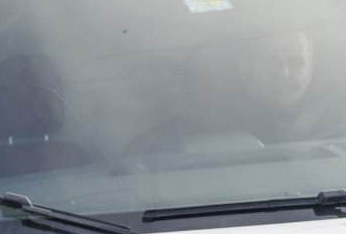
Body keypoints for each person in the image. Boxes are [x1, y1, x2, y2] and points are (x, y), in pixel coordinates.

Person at [126, 30, 343, 154]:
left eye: (296, 62)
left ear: (311, 71)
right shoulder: (197, 128)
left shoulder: (337, 125)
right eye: (271, 61)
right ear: (244, 68)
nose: (284, 72)